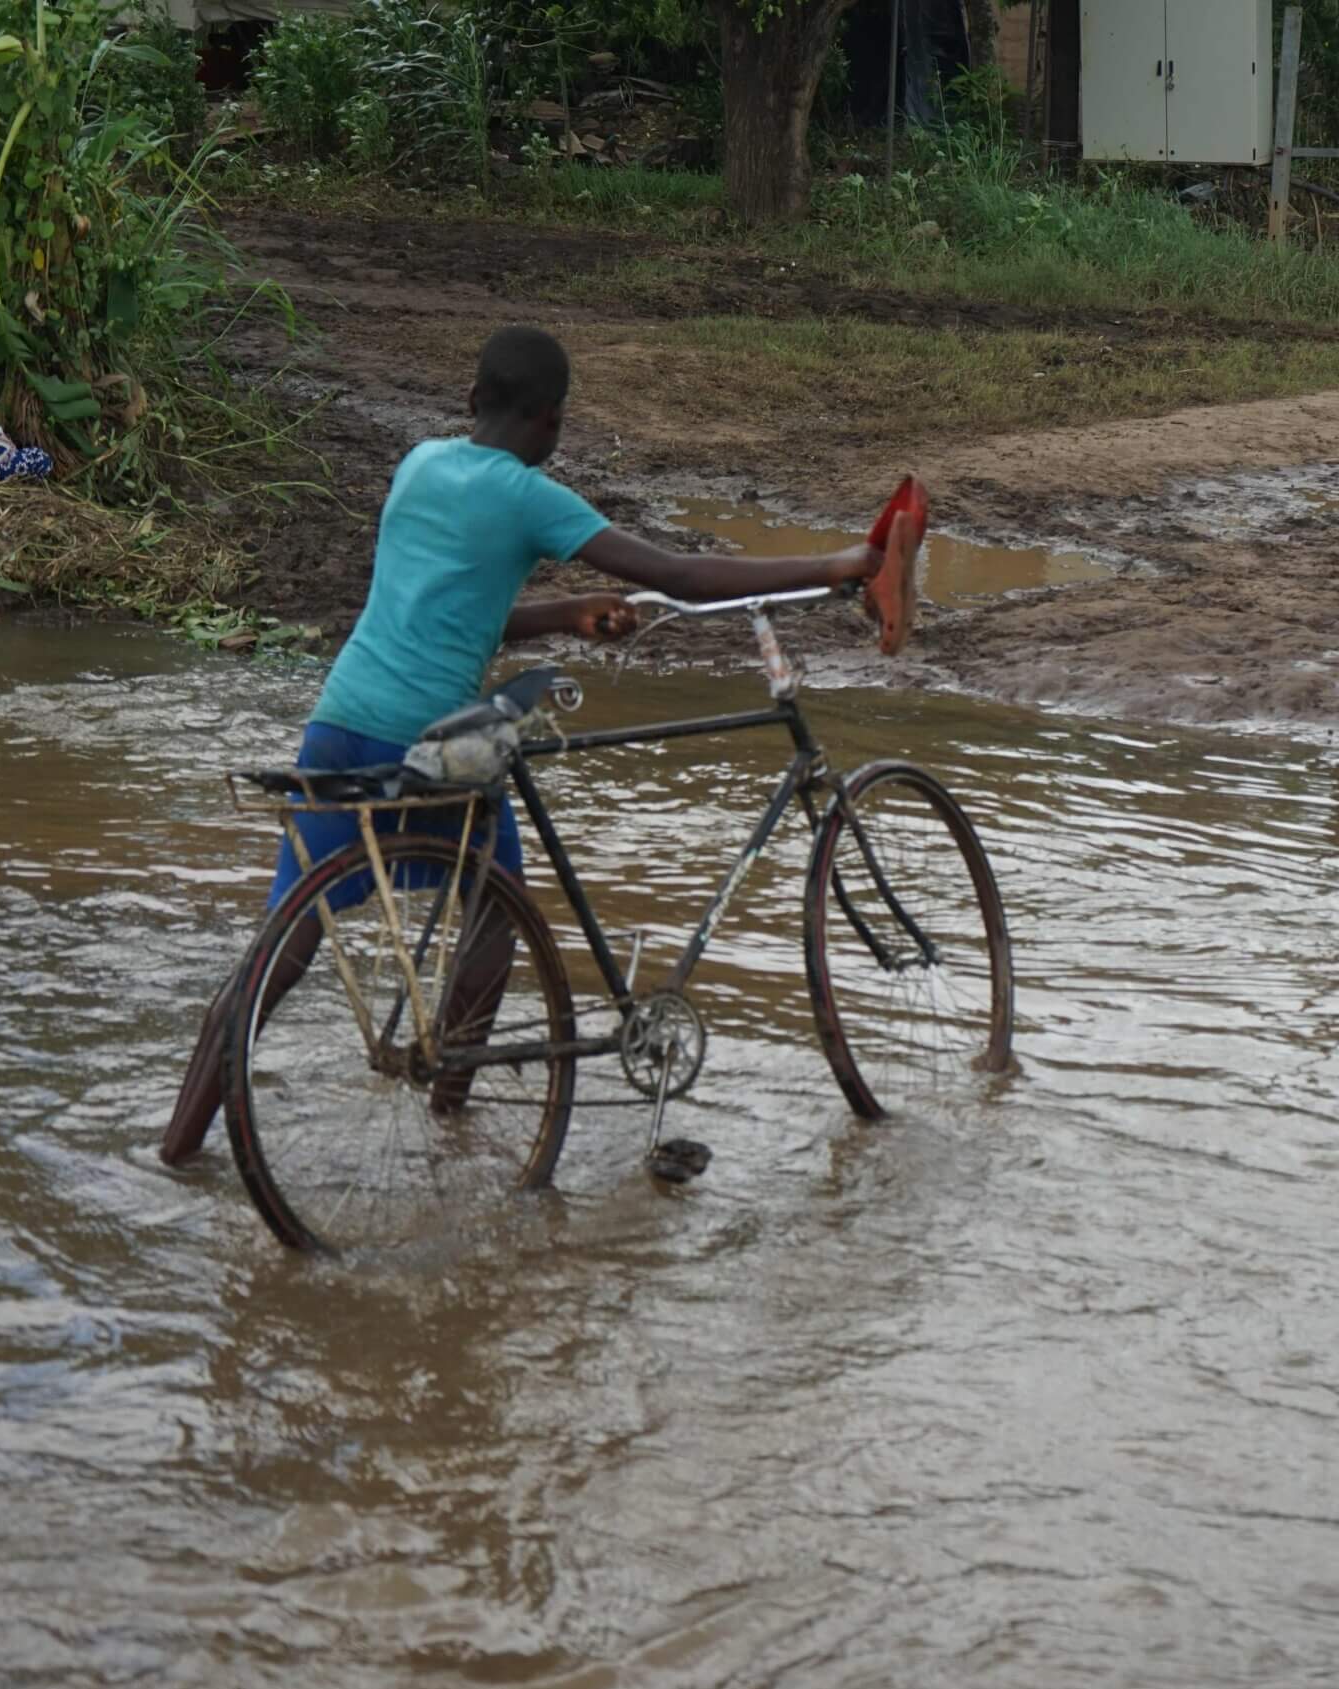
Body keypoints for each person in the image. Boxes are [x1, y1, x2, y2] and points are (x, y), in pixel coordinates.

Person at [159, 325, 879, 1165]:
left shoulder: (421, 464)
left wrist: (568, 613)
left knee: (279, 948)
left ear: (471, 402)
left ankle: (176, 1148)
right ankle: (448, 1119)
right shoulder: (530, 497)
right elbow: (675, 574)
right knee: (500, 912)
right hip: (428, 744)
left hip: (340, 723)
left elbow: (455, 615)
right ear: (553, 426)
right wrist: (838, 563)